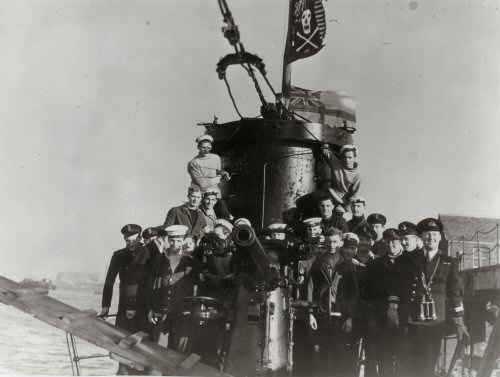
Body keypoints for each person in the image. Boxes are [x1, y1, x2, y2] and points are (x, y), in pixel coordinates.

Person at [389, 218, 469, 377]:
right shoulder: (406, 259)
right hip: (408, 320)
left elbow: (455, 294)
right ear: (421, 237)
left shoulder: (449, 262)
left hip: (434, 323)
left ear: (440, 237)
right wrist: (392, 308)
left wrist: (459, 323)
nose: (431, 238)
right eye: (427, 234)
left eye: (434, 234)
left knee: (426, 367)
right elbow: (395, 286)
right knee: (404, 366)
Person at [309, 232, 367, 377]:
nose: (331, 245)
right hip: (321, 315)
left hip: (341, 317)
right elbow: (310, 288)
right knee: (322, 355)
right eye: (328, 242)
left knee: (341, 356)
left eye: (335, 242)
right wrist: (310, 313)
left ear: (341, 243)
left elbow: (354, 293)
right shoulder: (318, 264)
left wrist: (350, 317)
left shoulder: (348, 265)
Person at [101, 224, 151, 375]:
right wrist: (105, 305)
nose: (130, 244)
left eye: (134, 240)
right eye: (127, 241)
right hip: (124, 305)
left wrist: (135, 305)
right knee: (123, 341)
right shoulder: (118, 255)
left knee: (142, 345)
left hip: (143, 304)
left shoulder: (148, 252)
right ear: (124, 239)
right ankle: (123, 372)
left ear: (140, 238)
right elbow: (109, 280)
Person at [148, 225, 203, 353]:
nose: (175, 243)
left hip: (183, 315)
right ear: (168, 239)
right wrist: (151, 308)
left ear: (183, 240)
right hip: (162, 313)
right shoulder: (160, 261)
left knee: (182, 354)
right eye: (172, 240)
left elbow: (198, 289)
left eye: (178, 240)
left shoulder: (191, 262)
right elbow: (153, 286)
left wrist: (195, 311)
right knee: (158, 353)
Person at [365, 228, 403, 377]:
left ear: (400, 242)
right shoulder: (376, 264)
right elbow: (369, 291)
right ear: (384, 244)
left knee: (402, 356)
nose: (391, 245)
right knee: (383, 355)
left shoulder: (408, 261)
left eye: (395, 241)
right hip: (380, 316)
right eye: (388, 242)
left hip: (402, 315)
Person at [187, 134, 232, 220]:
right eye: (203, 147)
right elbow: (202, 184)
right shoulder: (193, 163)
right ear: (198, 147)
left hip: (215, 195)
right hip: (200, 195)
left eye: (208, 147)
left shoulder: (215, 158)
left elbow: (219, 170)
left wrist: (225, 174)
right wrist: (218, 179)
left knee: (225, 217)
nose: (206, 150)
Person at [320, 144, 362, 212]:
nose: (347, 160)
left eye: (350, 157)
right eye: (345, 157)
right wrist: (325, 145)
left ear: (354, 157)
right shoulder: (336, 163)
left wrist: (346, 207)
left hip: (344, 202)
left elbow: (354, 195)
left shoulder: (357, 175)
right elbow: (326, 152)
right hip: (330, 195)